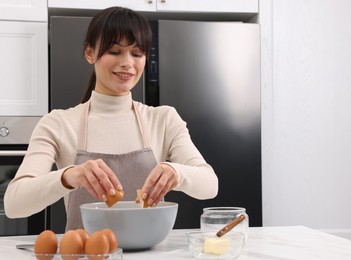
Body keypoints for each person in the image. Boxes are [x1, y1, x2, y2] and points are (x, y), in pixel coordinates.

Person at [4, 6, 218, 230]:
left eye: (137, 53)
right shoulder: (58, 123)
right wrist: (69, 176)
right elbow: (14, 204)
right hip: (87, 254)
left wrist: (177, 172)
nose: (127, 63)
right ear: (90, 53)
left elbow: (210, 185)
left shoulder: (163, 119)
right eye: (115, 51)